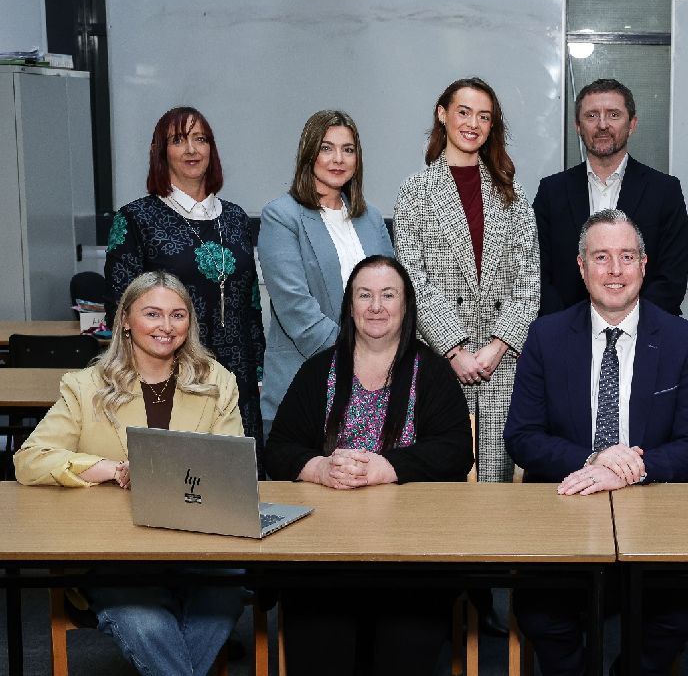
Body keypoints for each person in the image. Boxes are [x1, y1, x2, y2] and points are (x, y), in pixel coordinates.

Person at [504, 209, 688, 676]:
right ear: (581, 267)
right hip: (563, 518)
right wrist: (594, 457)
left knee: (681, 607)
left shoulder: (684, 340)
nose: (615, 270)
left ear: (645, 264)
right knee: (539, 609)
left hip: (656, 516)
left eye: (626, 256)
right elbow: (521, 437)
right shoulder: (545, 336)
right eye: (601, 257)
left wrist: (633, 466)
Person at [15, 271, 244, 676]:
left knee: (222, 603)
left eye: (178, 315)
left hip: (199, 548)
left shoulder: (216, 381)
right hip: (115, 555)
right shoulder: (86, 386)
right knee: (145, 623)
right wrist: (102, 469)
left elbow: (232, 467)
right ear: (125, 319)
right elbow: (30, 458)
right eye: (152, 314)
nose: (166, 327)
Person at [264, 255, 473, 675]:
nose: (376, 306)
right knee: (322, 648)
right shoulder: (317, 370)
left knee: (402, 648)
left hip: (413, 556)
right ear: (350, 306)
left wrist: (387, 468)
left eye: (388, 295)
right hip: (323, 554)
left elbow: (456, 451)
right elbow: (279, 449)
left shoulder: (431, 372)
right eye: (365, 295)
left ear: (405, 305)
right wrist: (319, 468)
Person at [393, 77, 539, 484]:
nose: (472, 123)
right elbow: (412, 278)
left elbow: (529, 278)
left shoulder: (512, 192)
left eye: (484, 117)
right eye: (464, 112)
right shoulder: (416, 191)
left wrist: (497, 346)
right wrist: (455, 350)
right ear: (442, 115)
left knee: (497, 485)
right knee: (439, 479)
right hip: (440, 359)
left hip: (501, 363)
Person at [105, 106, 266, 456]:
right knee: (177, 480)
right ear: (162, 153)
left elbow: (250, 303)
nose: (192, 149)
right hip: (168, 370)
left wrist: (257, 369)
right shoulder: (136, 219)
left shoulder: (236, 218)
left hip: (236, 373)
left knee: (237, 482)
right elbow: (120, 309)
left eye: (200, 139)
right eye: (178, 140)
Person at [258, 110, 393, 440]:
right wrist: (361, 359)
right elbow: (297, 310)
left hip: (375, 394)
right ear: (309, 153)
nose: (338, 159)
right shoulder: (281, 216)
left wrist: (385, 361)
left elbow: (393, 295)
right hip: (305, 389)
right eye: (327, 148)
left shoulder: (371, 218)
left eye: (348, 149)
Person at [534, 78, 688, 316]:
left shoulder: (665, 191)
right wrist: (570, 328)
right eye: (592, 115)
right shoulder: (551, 191)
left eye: (614, 115)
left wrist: (624, 326)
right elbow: (537, 274)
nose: (603, 124)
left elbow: (671, 279)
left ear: (632, 124)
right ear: (578, 125)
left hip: (645, 336)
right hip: (565, 336)